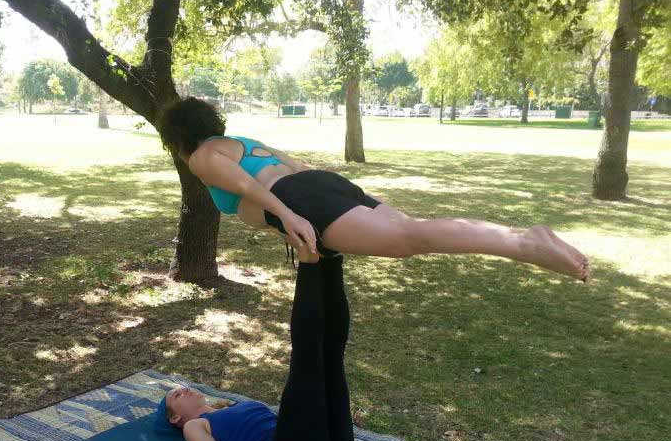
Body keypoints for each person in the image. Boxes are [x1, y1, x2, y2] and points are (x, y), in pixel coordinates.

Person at [158, 97, 590, 279]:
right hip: (322, 184)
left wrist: (288, 216)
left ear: (179, 136)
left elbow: (247, 186)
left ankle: (523, 244)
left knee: (407, 241)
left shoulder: (201, 157)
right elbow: (300, 167)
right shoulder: (247, 142)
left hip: (299, 199)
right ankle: (516, 236)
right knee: (413, 230)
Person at [154, 254, 385, 441]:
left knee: (332, 355)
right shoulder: (194, 427)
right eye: (176, 395)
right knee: (311, 360)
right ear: (175, 417)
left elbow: (302, 430)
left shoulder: (227, 408)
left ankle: (330, 254)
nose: (184, 388)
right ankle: (310, 258)